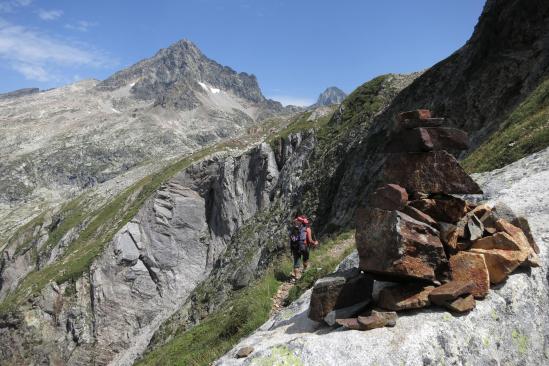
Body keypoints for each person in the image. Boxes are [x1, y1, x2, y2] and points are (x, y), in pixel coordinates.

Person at [289, 214, 319, 280]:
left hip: (295, 247)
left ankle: (296, 277)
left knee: (296, 262)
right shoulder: (307, 229)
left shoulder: (294, 228)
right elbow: (310, 240)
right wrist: (315, 242)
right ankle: (305, 270)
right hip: (304, 247)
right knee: (305, 259)